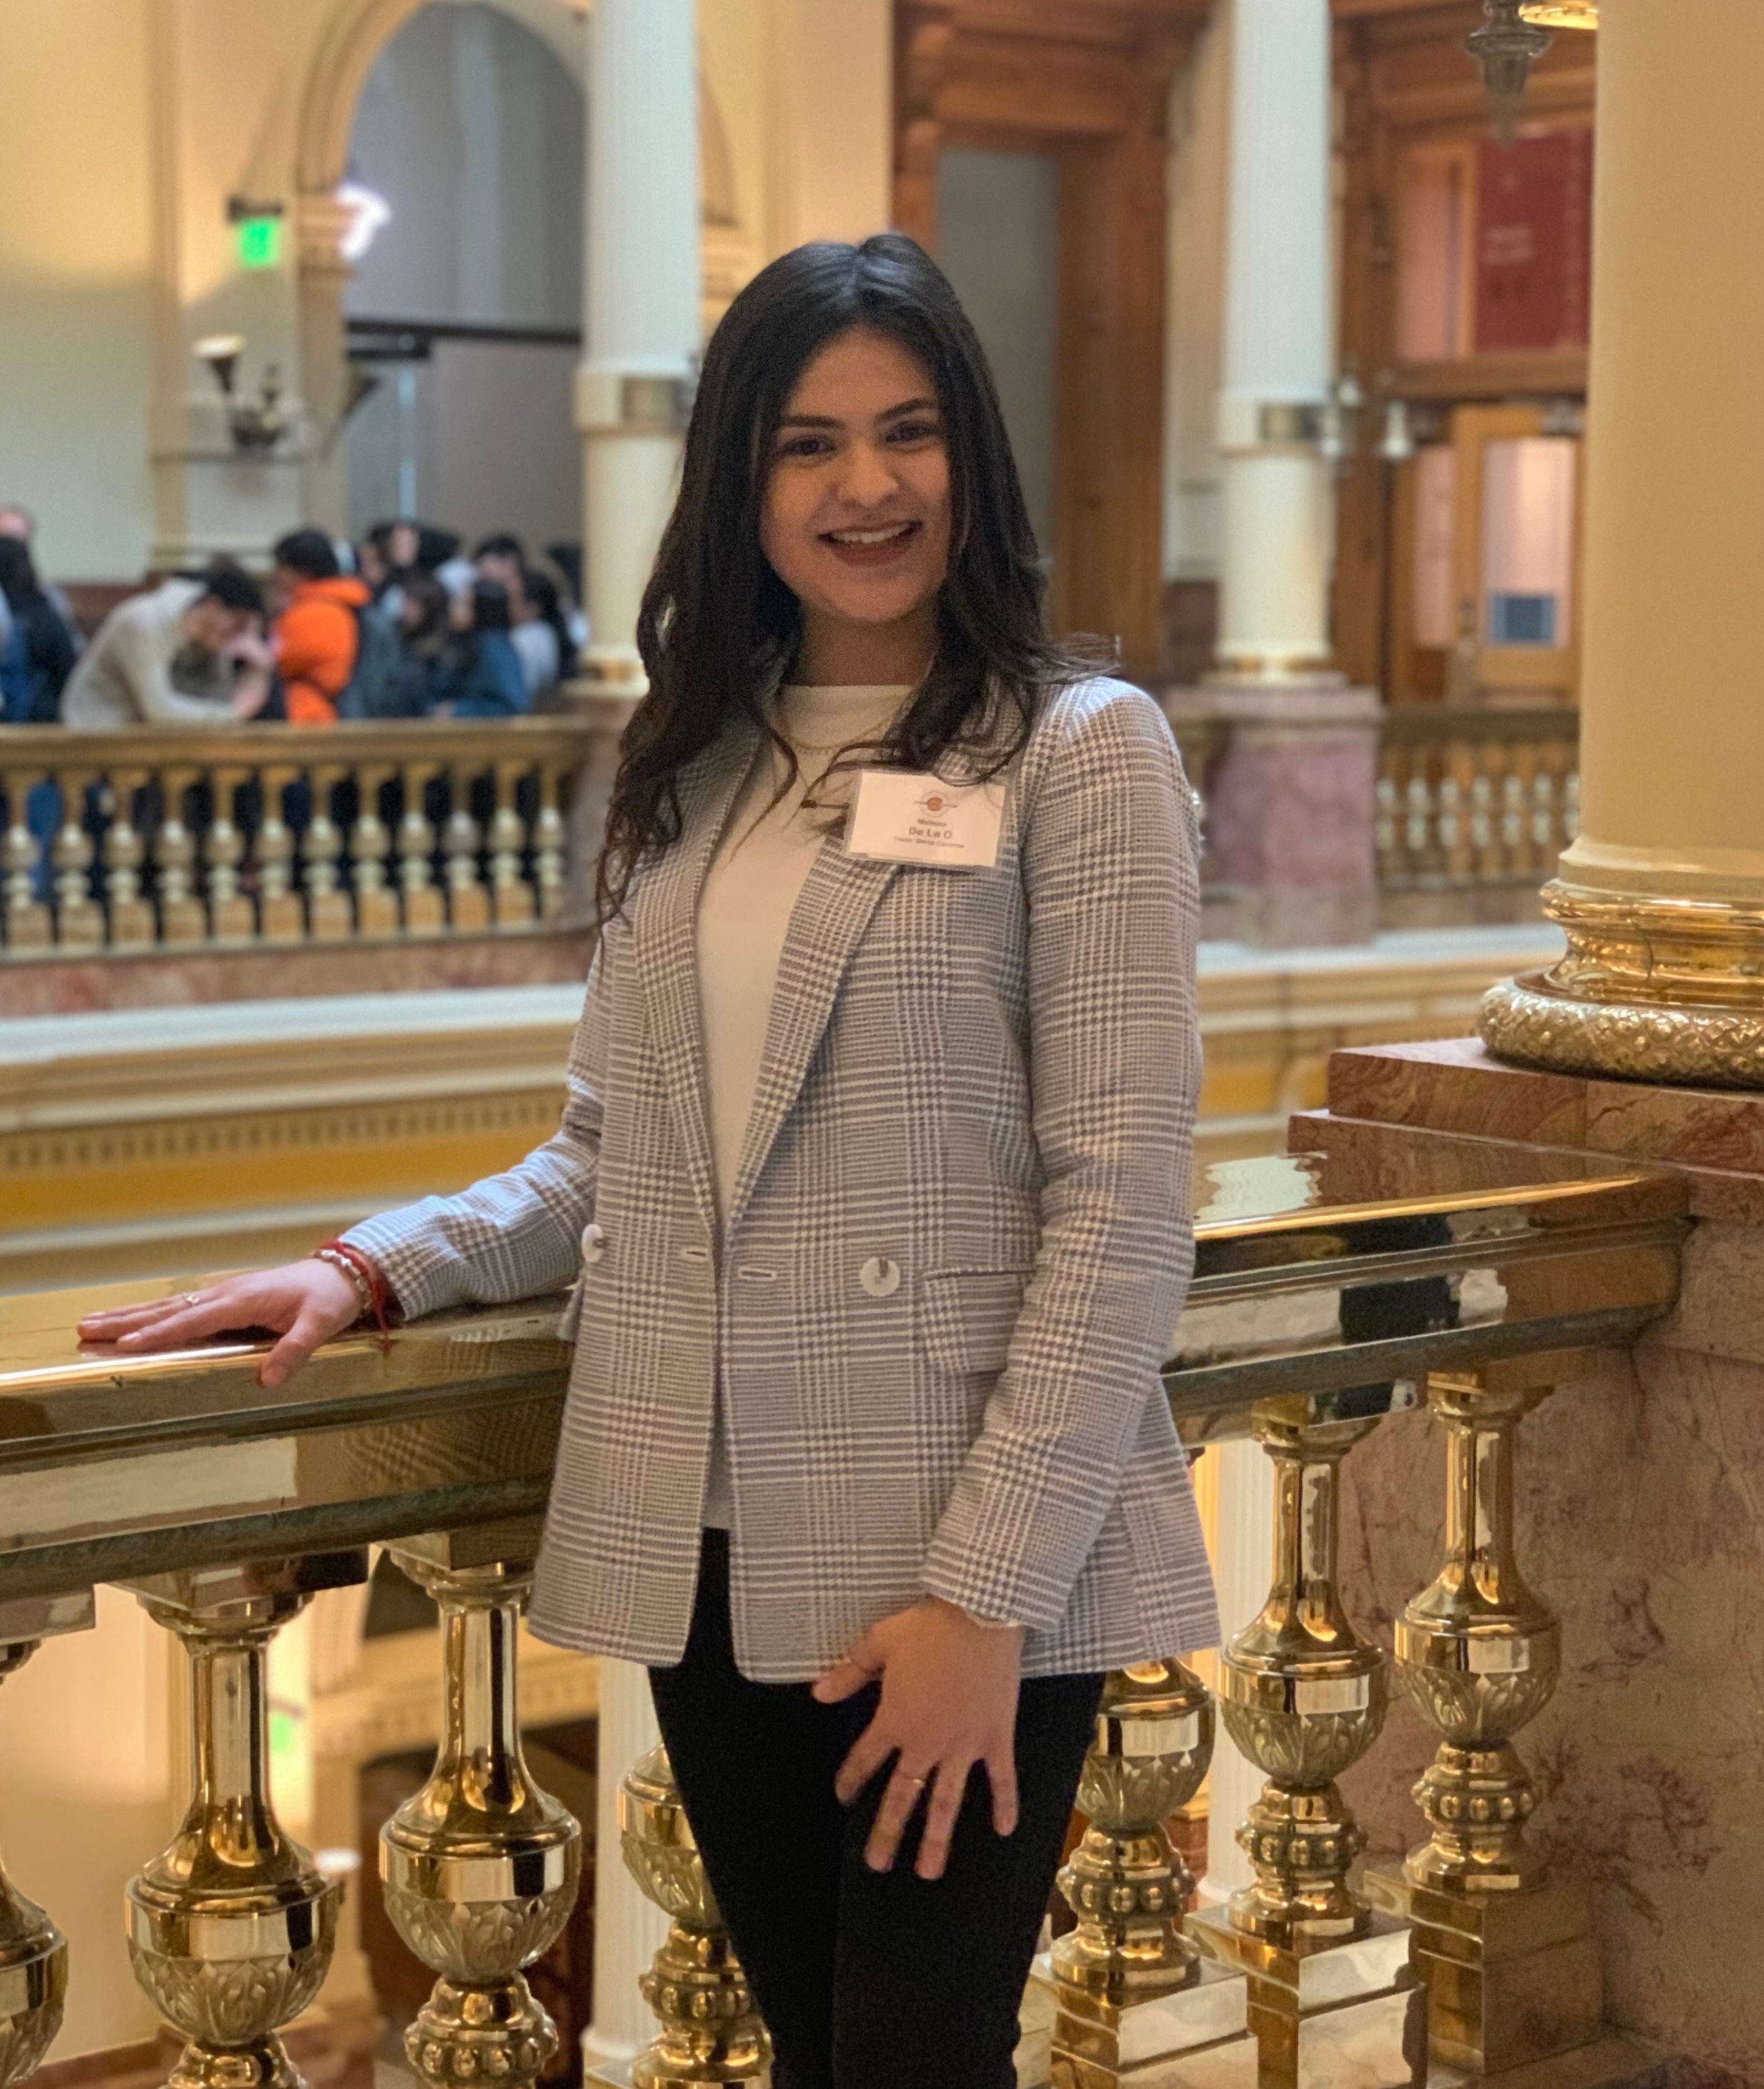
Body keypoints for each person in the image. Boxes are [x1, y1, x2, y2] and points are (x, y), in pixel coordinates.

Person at [78, 233, 1212, 2089]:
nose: (865, 485)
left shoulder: (1076, 751)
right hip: (707, 1527)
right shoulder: (694, 763)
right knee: (808, 2044)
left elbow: (1121, 1204)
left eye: (907, 432)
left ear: (971, 463)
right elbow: (608, 1147)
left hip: (954, 1544)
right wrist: (376, 1264)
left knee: (917, 2057)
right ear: (740, 483)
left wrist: (984, 1595)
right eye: (808, 442)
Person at [62, 565, 272, 728]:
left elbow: (218, 698)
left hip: (152, 747)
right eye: (238, 625)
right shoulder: (143, 621)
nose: (240, 637)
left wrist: (259, 669)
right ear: (213, 607)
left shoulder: (211, 634)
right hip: (98, 739)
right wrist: (235, 713)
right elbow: (159, 711)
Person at [270, 530, 372, 726]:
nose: (275, 575)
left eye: (281, 567)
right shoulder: (340, 603)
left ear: (303, 572)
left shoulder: (315, 612)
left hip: (310, 717)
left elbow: (274, 661)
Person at [0, 538, 78, 723]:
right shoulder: (43, 609)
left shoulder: (42, 609)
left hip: (32, 720)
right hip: (46, 719)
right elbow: (69, 667)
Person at [428, 580, 530, 717]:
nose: (453, 607)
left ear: (482, 609)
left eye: (464, 604)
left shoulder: (496, 649)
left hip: (487, 736)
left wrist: (459, 710)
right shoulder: (463, 641)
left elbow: (513, 705)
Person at [0, 504, 84, 664]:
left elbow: (72, 653)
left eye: (17, 541)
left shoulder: (49, 596)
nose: (9, 550)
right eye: (3, 540)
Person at [509, 566, 575, 702]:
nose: (505, 604)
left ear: (534, 607)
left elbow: (520, 688)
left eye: (512, 598)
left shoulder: (528, 636)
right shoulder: (549, 632)